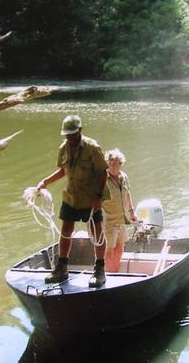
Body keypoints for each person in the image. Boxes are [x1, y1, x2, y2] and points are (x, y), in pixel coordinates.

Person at [36, 115, 109, 288]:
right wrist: (45, 182)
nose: (70, 138)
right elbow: (63, 171)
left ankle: (99, 270)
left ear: (80, 130)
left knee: (96, 232)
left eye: (72, 134)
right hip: (71, 196)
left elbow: (103, 173)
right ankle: (62, 268)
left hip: (90, 198)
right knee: (66, 230)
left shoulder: (92, 147)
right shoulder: (64, 148)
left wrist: (98, 197)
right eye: (67, 135)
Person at [102, 149, 138, 273]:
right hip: (108, 221)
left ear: (120, 164)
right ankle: (107, 273)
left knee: (120, 247)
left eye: (115, 163)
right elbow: (95, 199)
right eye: (110, 163)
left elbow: (127, 194)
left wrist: (132, 212)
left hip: (122, 219)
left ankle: (114, 269)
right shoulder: (103, 180)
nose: (112, 166)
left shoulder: (124, 177)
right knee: (109, 249)